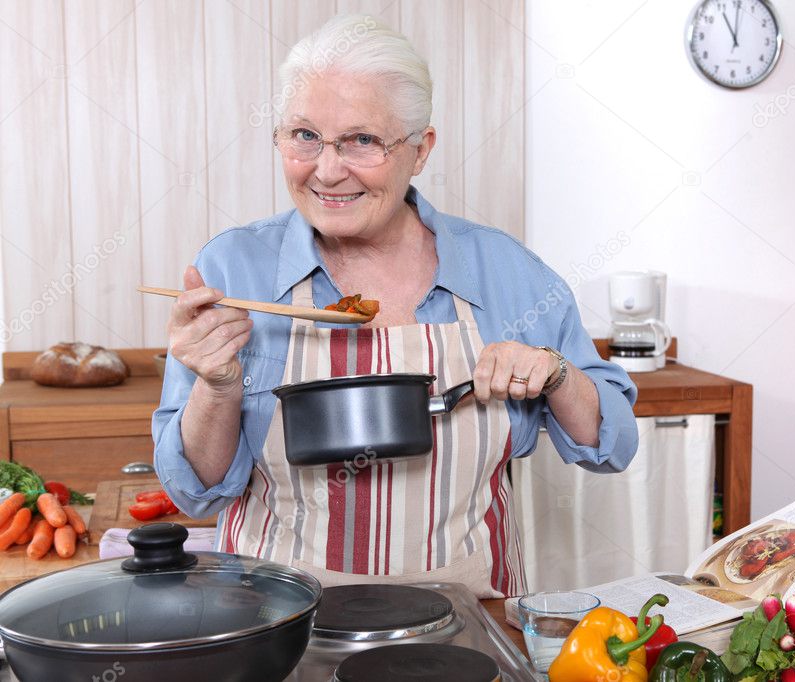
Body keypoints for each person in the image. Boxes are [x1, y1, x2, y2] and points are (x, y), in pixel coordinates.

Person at [152, 14, 638, 598]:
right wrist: (217, 386)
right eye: (304, 135)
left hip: (471, 624)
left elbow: (613, 446)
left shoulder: (506, 272)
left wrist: (556, 374)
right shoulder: (234, 269)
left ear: (420, 149)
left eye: (362, 140)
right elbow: (194, 491)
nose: (327, 171)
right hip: (276, 622)